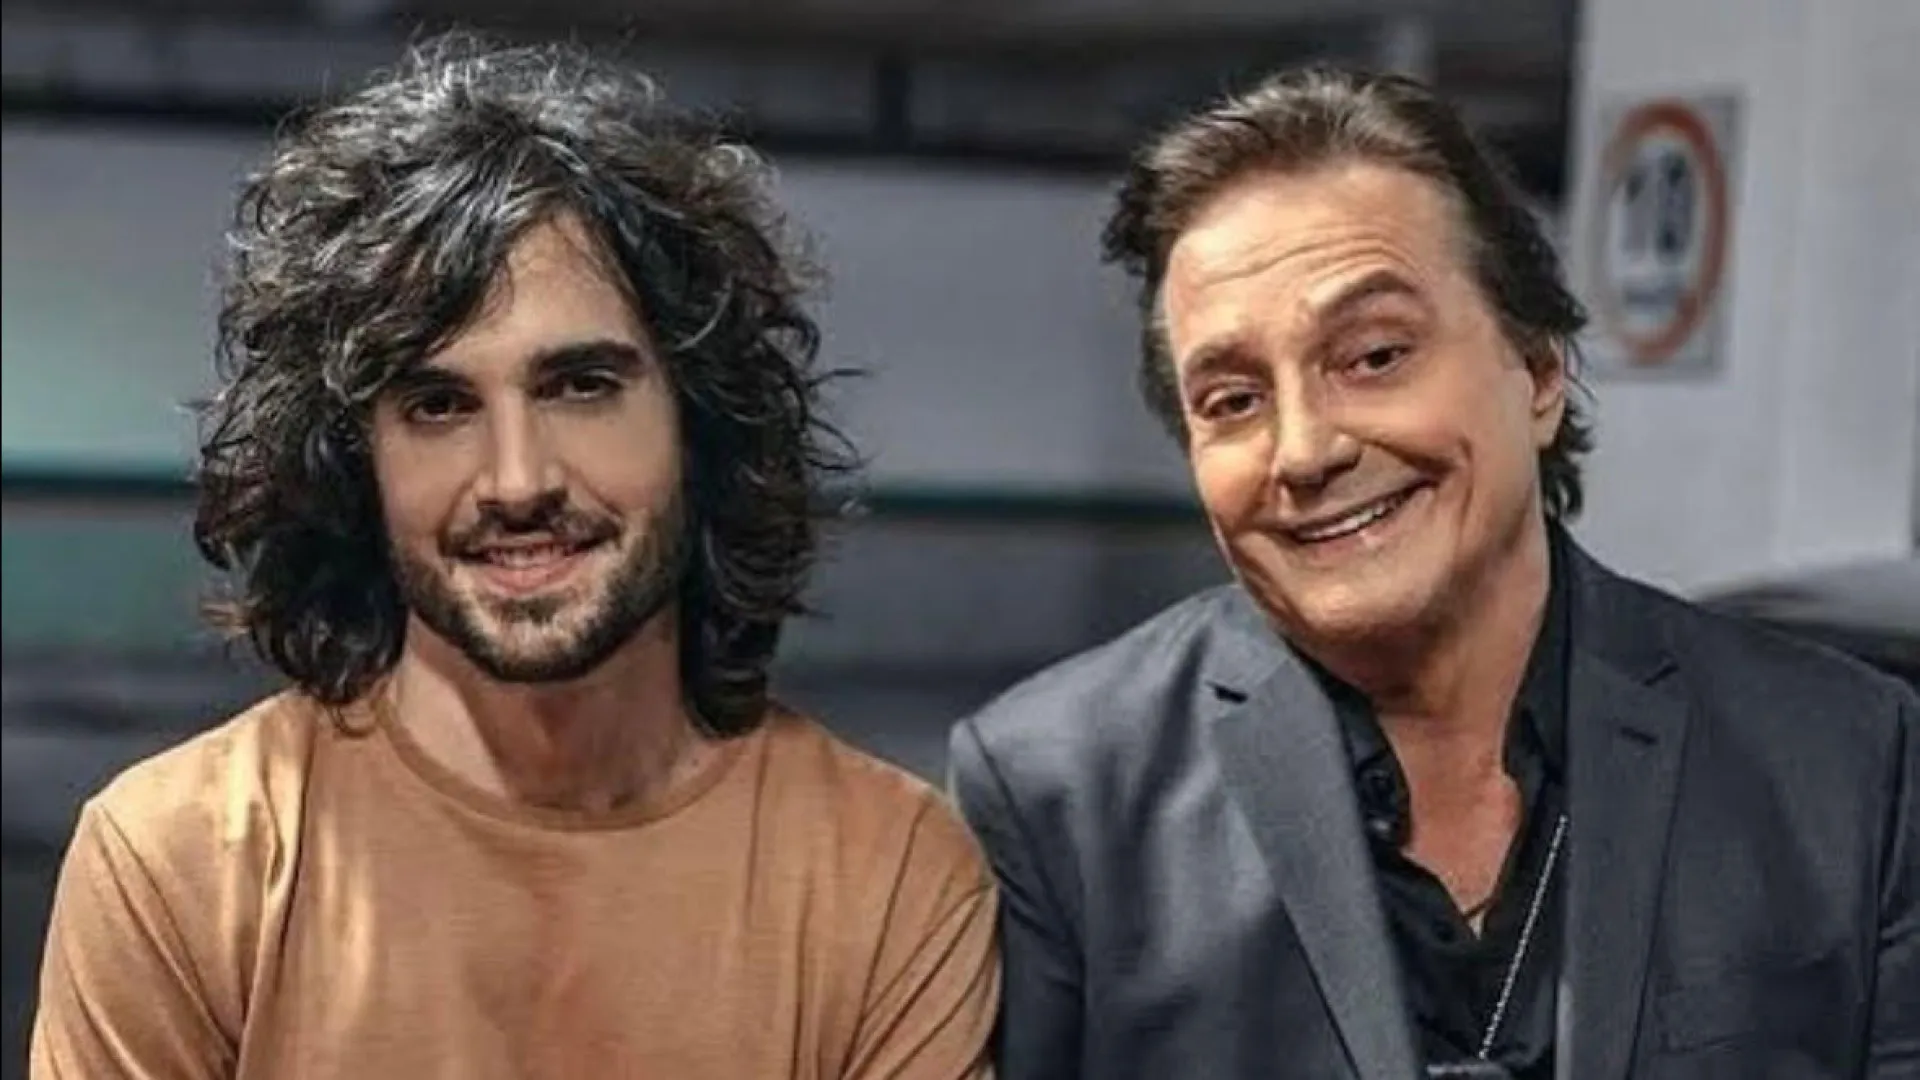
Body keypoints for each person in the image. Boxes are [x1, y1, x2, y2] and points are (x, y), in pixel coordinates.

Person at [31, 34, 998, 1080]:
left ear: (698, 418)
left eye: (580, 386)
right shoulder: (182, 861)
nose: (517, 480)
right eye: (438, 405)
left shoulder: (888, 873)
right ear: (357, 463)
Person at [948, 66, 1917, 1079]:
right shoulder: (1059, 793)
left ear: (1538, 371)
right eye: (1233, 401)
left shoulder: (1843, 760)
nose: (1304, 450)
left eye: (1374, 357)